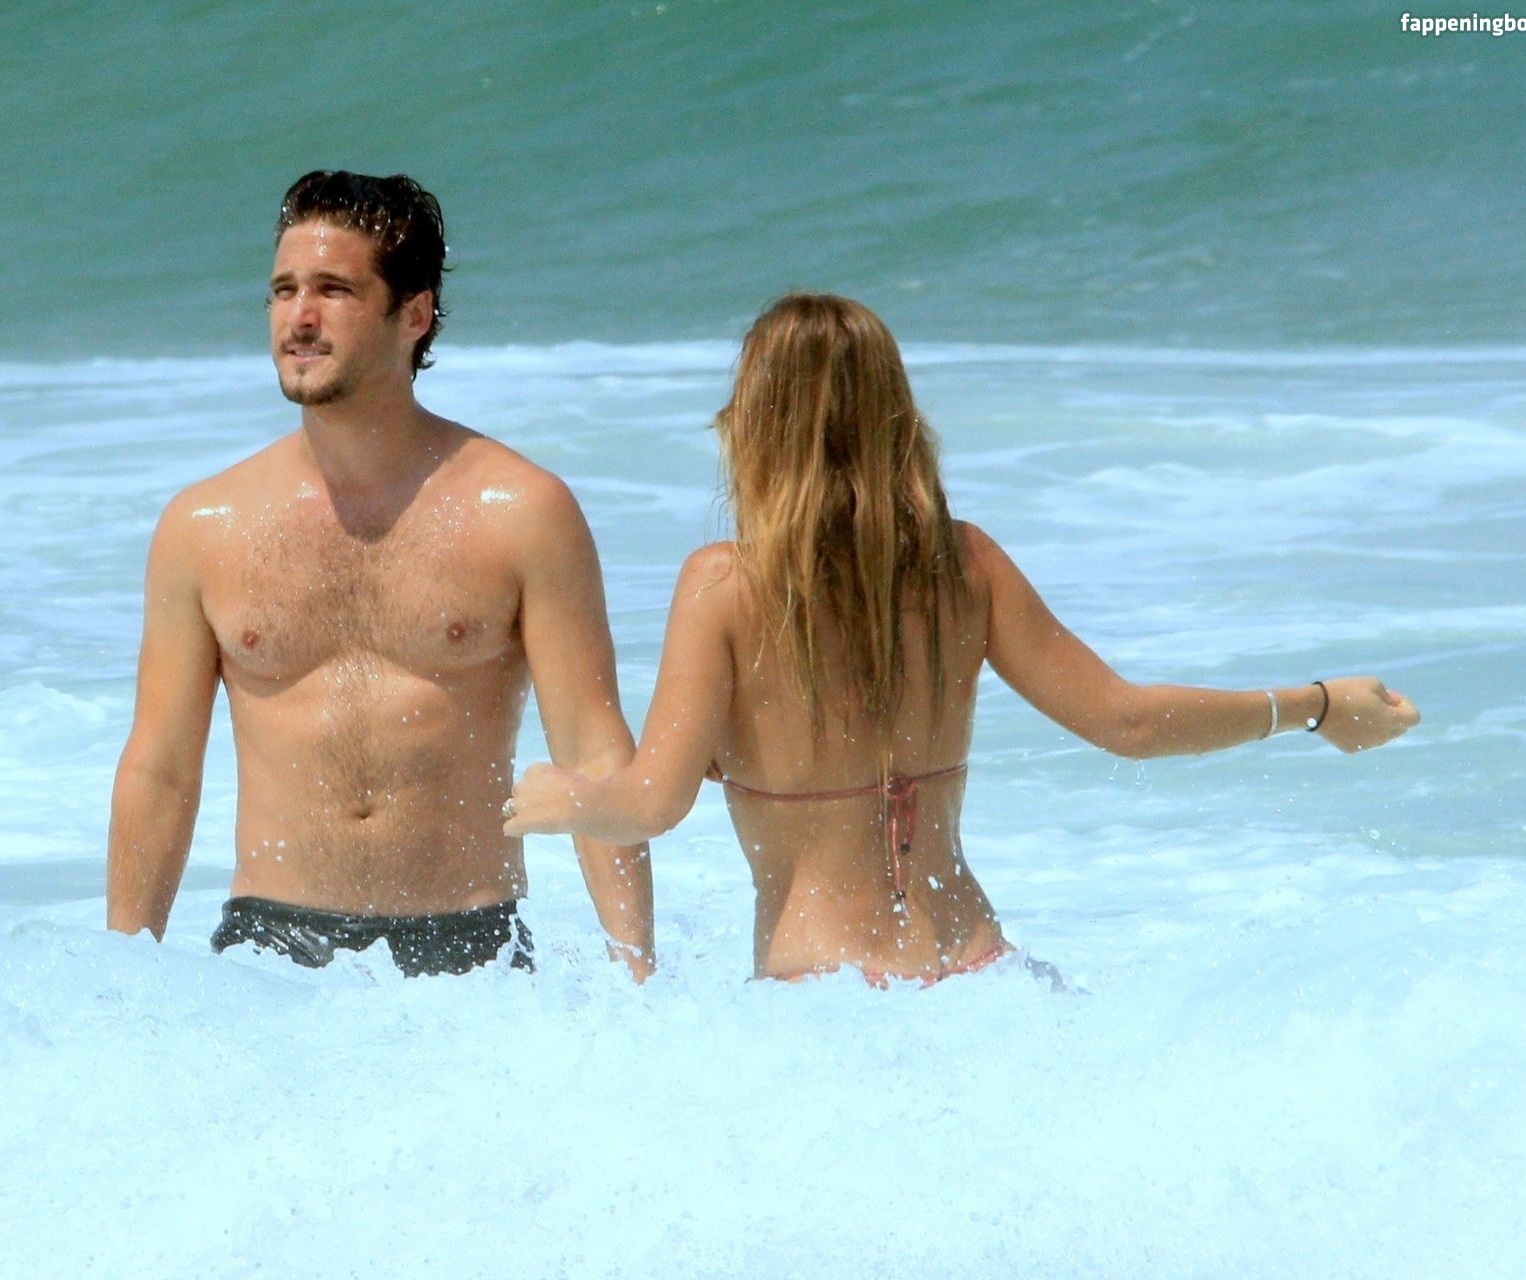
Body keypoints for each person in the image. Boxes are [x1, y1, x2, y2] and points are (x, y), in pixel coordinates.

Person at [503, 293, 1420, 985]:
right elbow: (1130, 723)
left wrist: (569, 798)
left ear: (755, 426)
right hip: (982, 973)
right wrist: (1317, 706)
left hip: (823, 996)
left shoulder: (723, 587)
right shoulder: (965, 566)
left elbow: (652, 804)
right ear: (897, 418)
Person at [107, 171, 653, 980]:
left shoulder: (522, 512)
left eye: (333, 290)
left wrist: (637, 976)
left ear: (414, 315)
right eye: (284, 291)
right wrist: (122, 979)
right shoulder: (203, 527)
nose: (299, 317)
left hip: (470, 951)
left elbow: (593, 754)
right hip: (266, 951)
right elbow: (160, 770)